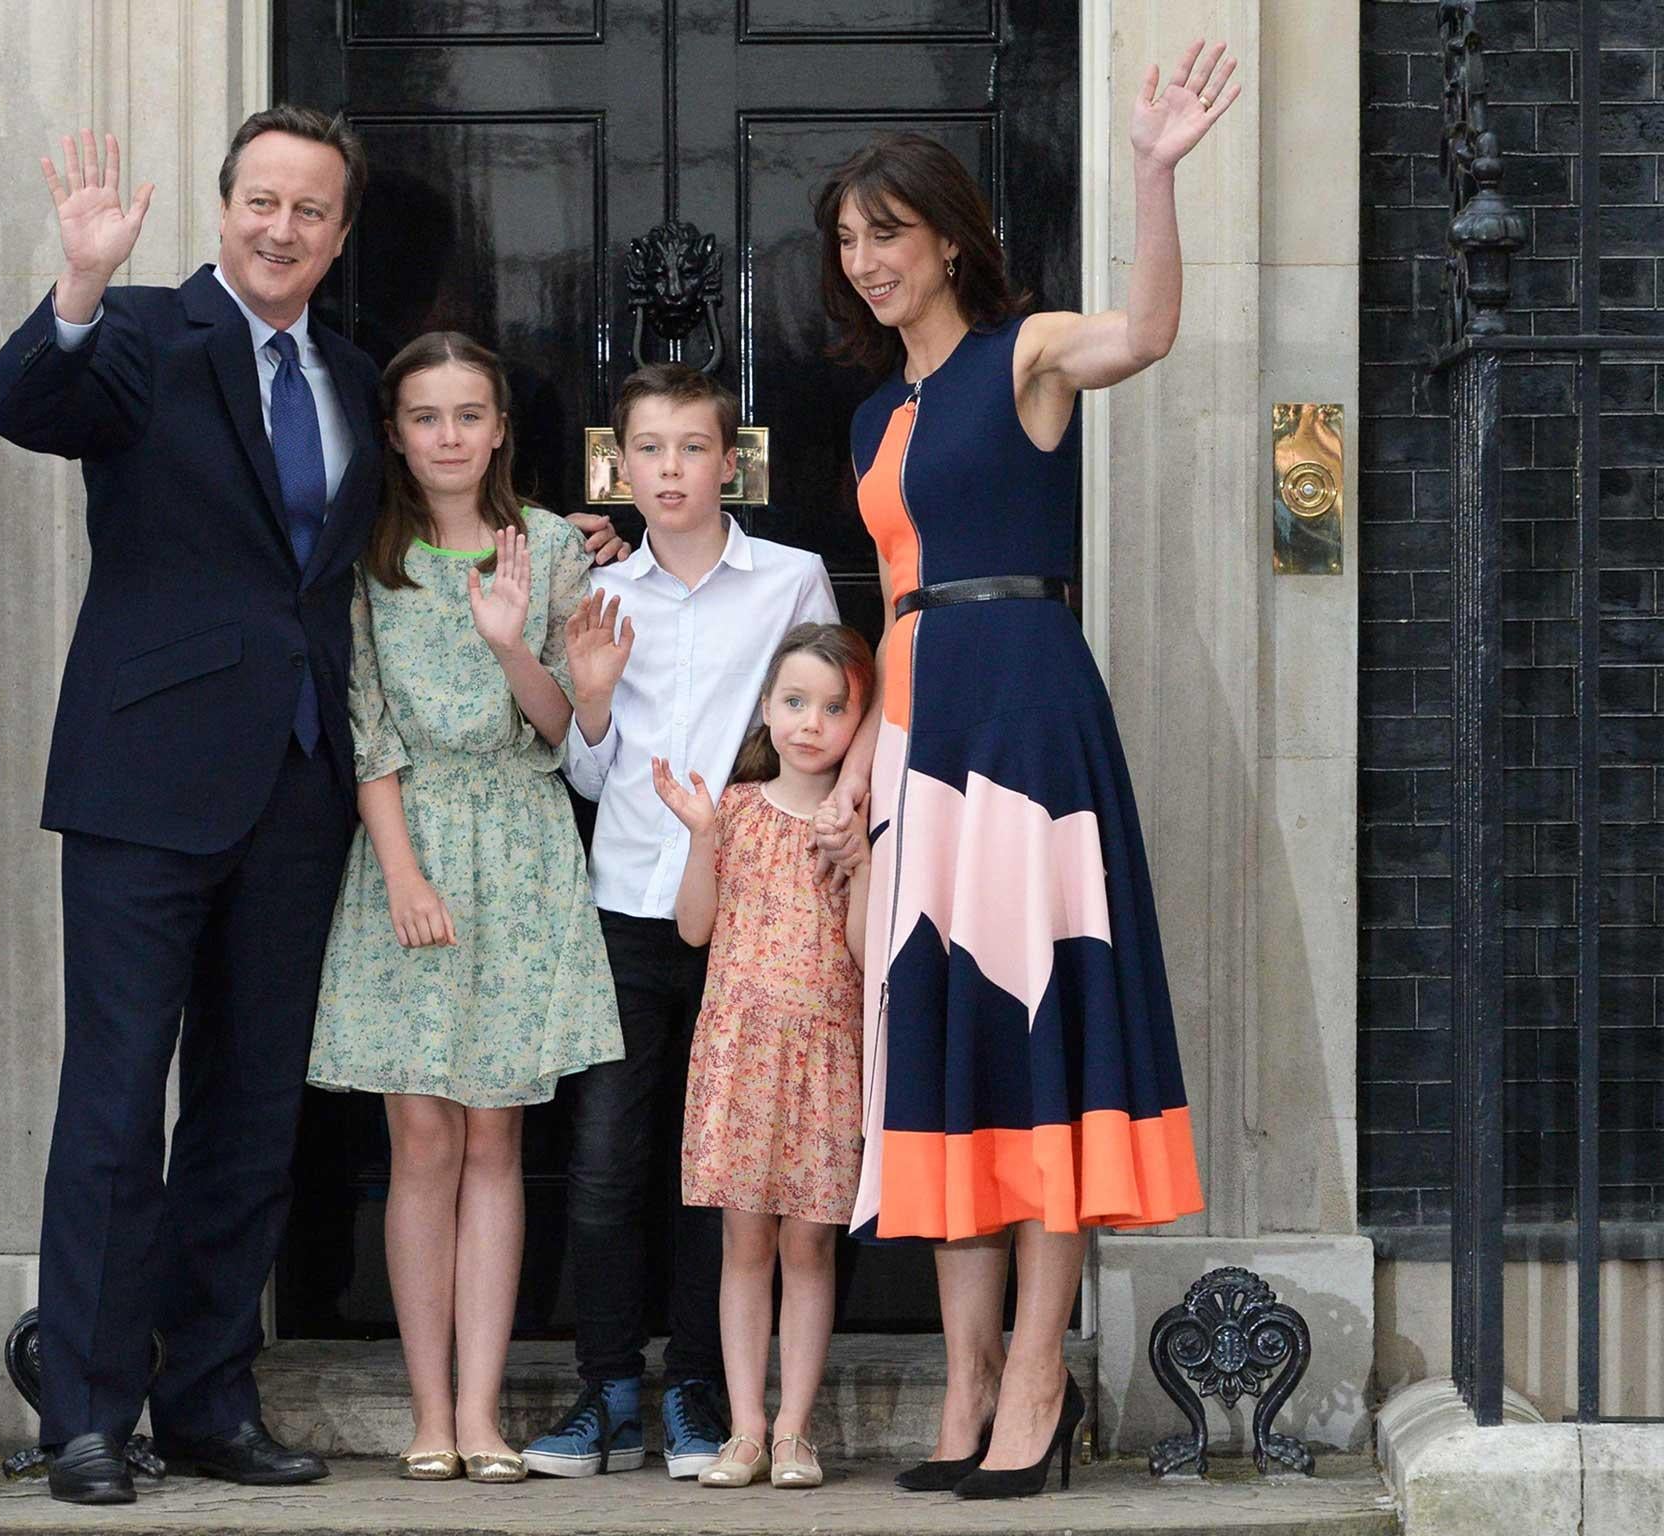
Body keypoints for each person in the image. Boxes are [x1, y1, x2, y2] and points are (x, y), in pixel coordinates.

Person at [812, 39, 1239, 1503]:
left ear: (947, 238)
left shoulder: (1029, 353)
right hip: (925, 742)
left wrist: (1153, 172)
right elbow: (882, 601)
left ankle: (1039, 1379)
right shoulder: (875, 417)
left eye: (888, 234)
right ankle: (968, 1377)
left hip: (1031, 717)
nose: (867, 262)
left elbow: (1153, 331)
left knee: (1043, 1035)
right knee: (945, 1044)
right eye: (849, 242)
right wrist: (867, 776)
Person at [0, 108, 385, 1505]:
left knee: (249, 1107)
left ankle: (208, 1395)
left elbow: (357, 559)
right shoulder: (147, 333)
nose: (282, 229)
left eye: (311, 210)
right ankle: (84, 1415)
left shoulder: (349, 371)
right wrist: (81, 285)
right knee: (114, 1097)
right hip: (144, 777)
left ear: (340, 232)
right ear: (224, 209)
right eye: (261, 201)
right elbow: (31, 404)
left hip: (294, 780)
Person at [306, 332, 623, 1485]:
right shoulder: (369, 557)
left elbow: (566, 729)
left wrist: (509, 646)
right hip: (409, 845)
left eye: (469, 415)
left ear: (499, 429)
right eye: (426, 417)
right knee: (419, 1138)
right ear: (394, 432)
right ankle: (427, 1410)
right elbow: (365, 727)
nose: (448, 436)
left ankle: (483, 1413)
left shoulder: (547, 547)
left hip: (523, 848)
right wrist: (399, 873)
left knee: (496, 1134)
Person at [522, 364, 841, 1480]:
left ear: (728, 463)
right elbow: (585, 768)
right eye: (646, 450)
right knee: (608, 1160)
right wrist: (596, 700)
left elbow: (829, 724)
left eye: (690, 448)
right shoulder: (600, 591)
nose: (668, 469)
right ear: (622, 464)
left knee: (729, 1172)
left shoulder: (792, 579)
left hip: (754, 918)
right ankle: (607, 1389)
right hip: (627, 906)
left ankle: (705, 1393)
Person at [653, 623, 875, 1492]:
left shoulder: (853, 826)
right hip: (740, 1054)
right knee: (743, 1243)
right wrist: (704, 835)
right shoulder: (739, 810)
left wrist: (857, 863)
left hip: (823, 1054)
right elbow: (694, 928)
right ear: (768, 708)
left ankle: (795, 1431)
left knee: (809, 1248)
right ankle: (744, 1428)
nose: (809, 723)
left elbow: (862, 953)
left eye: (832, 707)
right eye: (794, 702)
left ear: (859, 723)